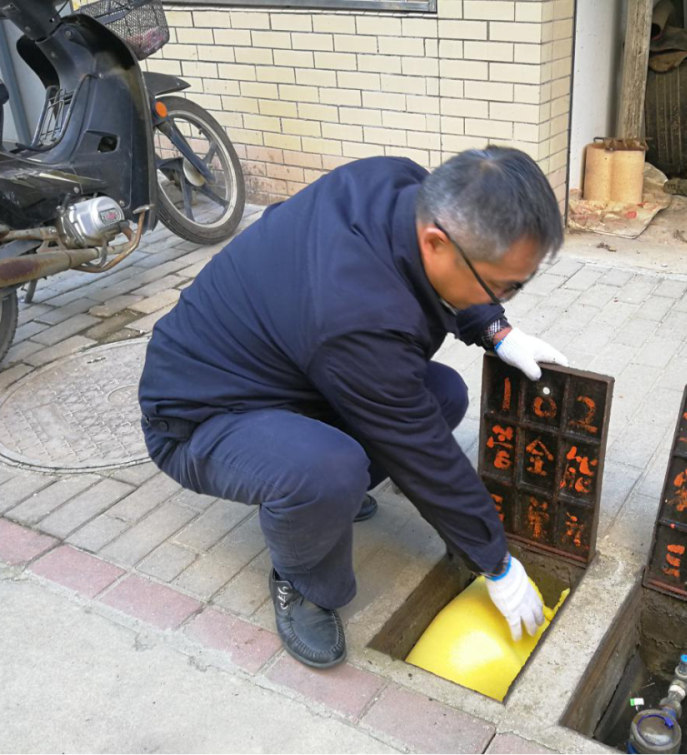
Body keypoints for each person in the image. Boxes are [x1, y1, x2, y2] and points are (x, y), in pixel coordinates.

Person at [138, 147, 569, 669]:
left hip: (290, 371)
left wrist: (496, 329)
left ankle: (318, 502)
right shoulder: (356, 315)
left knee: (443, 395)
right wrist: (495, 561)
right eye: (502, 287)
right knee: (328, 472)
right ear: (437, 242)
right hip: (200, 414)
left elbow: (413, 397)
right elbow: (421, 452)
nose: (506, 296)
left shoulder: (400, 185)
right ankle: (304, 579)